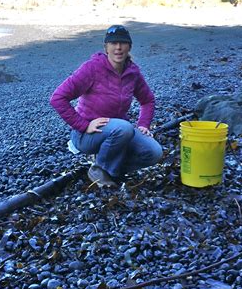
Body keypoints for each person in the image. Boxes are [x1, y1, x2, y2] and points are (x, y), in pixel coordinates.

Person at [50, 25, 163, 187]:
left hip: (119, 131)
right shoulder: (92, 68)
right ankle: (99, 170)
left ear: (129, 47)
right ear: (106, 47)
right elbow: (58, 98)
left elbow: (148, 100)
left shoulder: (133, 73)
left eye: (123, 43)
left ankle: (112, 172)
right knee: (124, 128)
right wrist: (83, 125)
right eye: (113, 43)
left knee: (154, 152)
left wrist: (144, 124)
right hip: (86, 135)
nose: (118, 47)